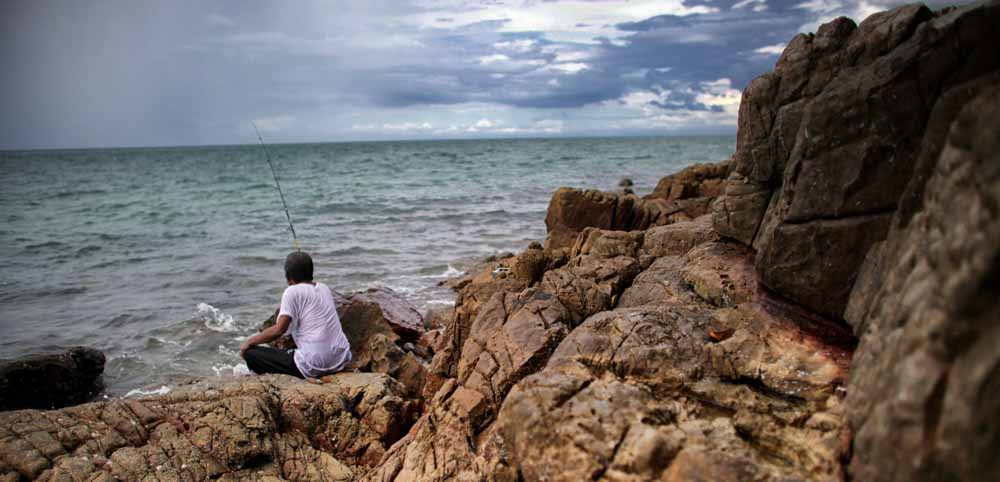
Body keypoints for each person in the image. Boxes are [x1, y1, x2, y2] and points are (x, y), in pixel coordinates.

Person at [240, 251, 352, 379]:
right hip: (341, 359)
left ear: (289, 277)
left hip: (313, 365)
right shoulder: (324, 288)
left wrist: (249, 342)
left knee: (252, 354)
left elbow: (279, 330)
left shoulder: (291, 291)